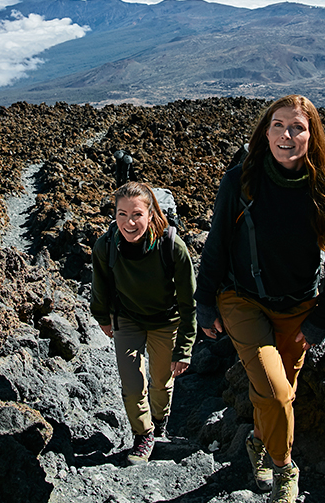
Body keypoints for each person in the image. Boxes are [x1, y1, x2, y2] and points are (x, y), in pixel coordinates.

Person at [195, 95, 325, 503]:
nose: (287, 134)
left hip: (298, 309)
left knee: (279, 392)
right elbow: (216, 246)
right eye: (278, 126)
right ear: (265, 133)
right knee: (277, 393)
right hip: (242, 299)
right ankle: (285, 468)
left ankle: (258, 445)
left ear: (312, 135)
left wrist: (322, 319)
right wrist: (205, 302)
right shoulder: (240, 181)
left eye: (297, 127)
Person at [91, 181, 197, 465]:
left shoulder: (172, 246)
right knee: (132, 382)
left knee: (161, 382)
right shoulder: (106, 245)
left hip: (166, 321)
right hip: (127, 319)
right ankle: (143, 434)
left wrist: (184, 347)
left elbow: (190, 302)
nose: (129, 222)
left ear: (151, 215)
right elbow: (100, 284)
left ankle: (159, 419)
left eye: (137, 214)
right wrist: (103, 317)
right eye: (122, 214)